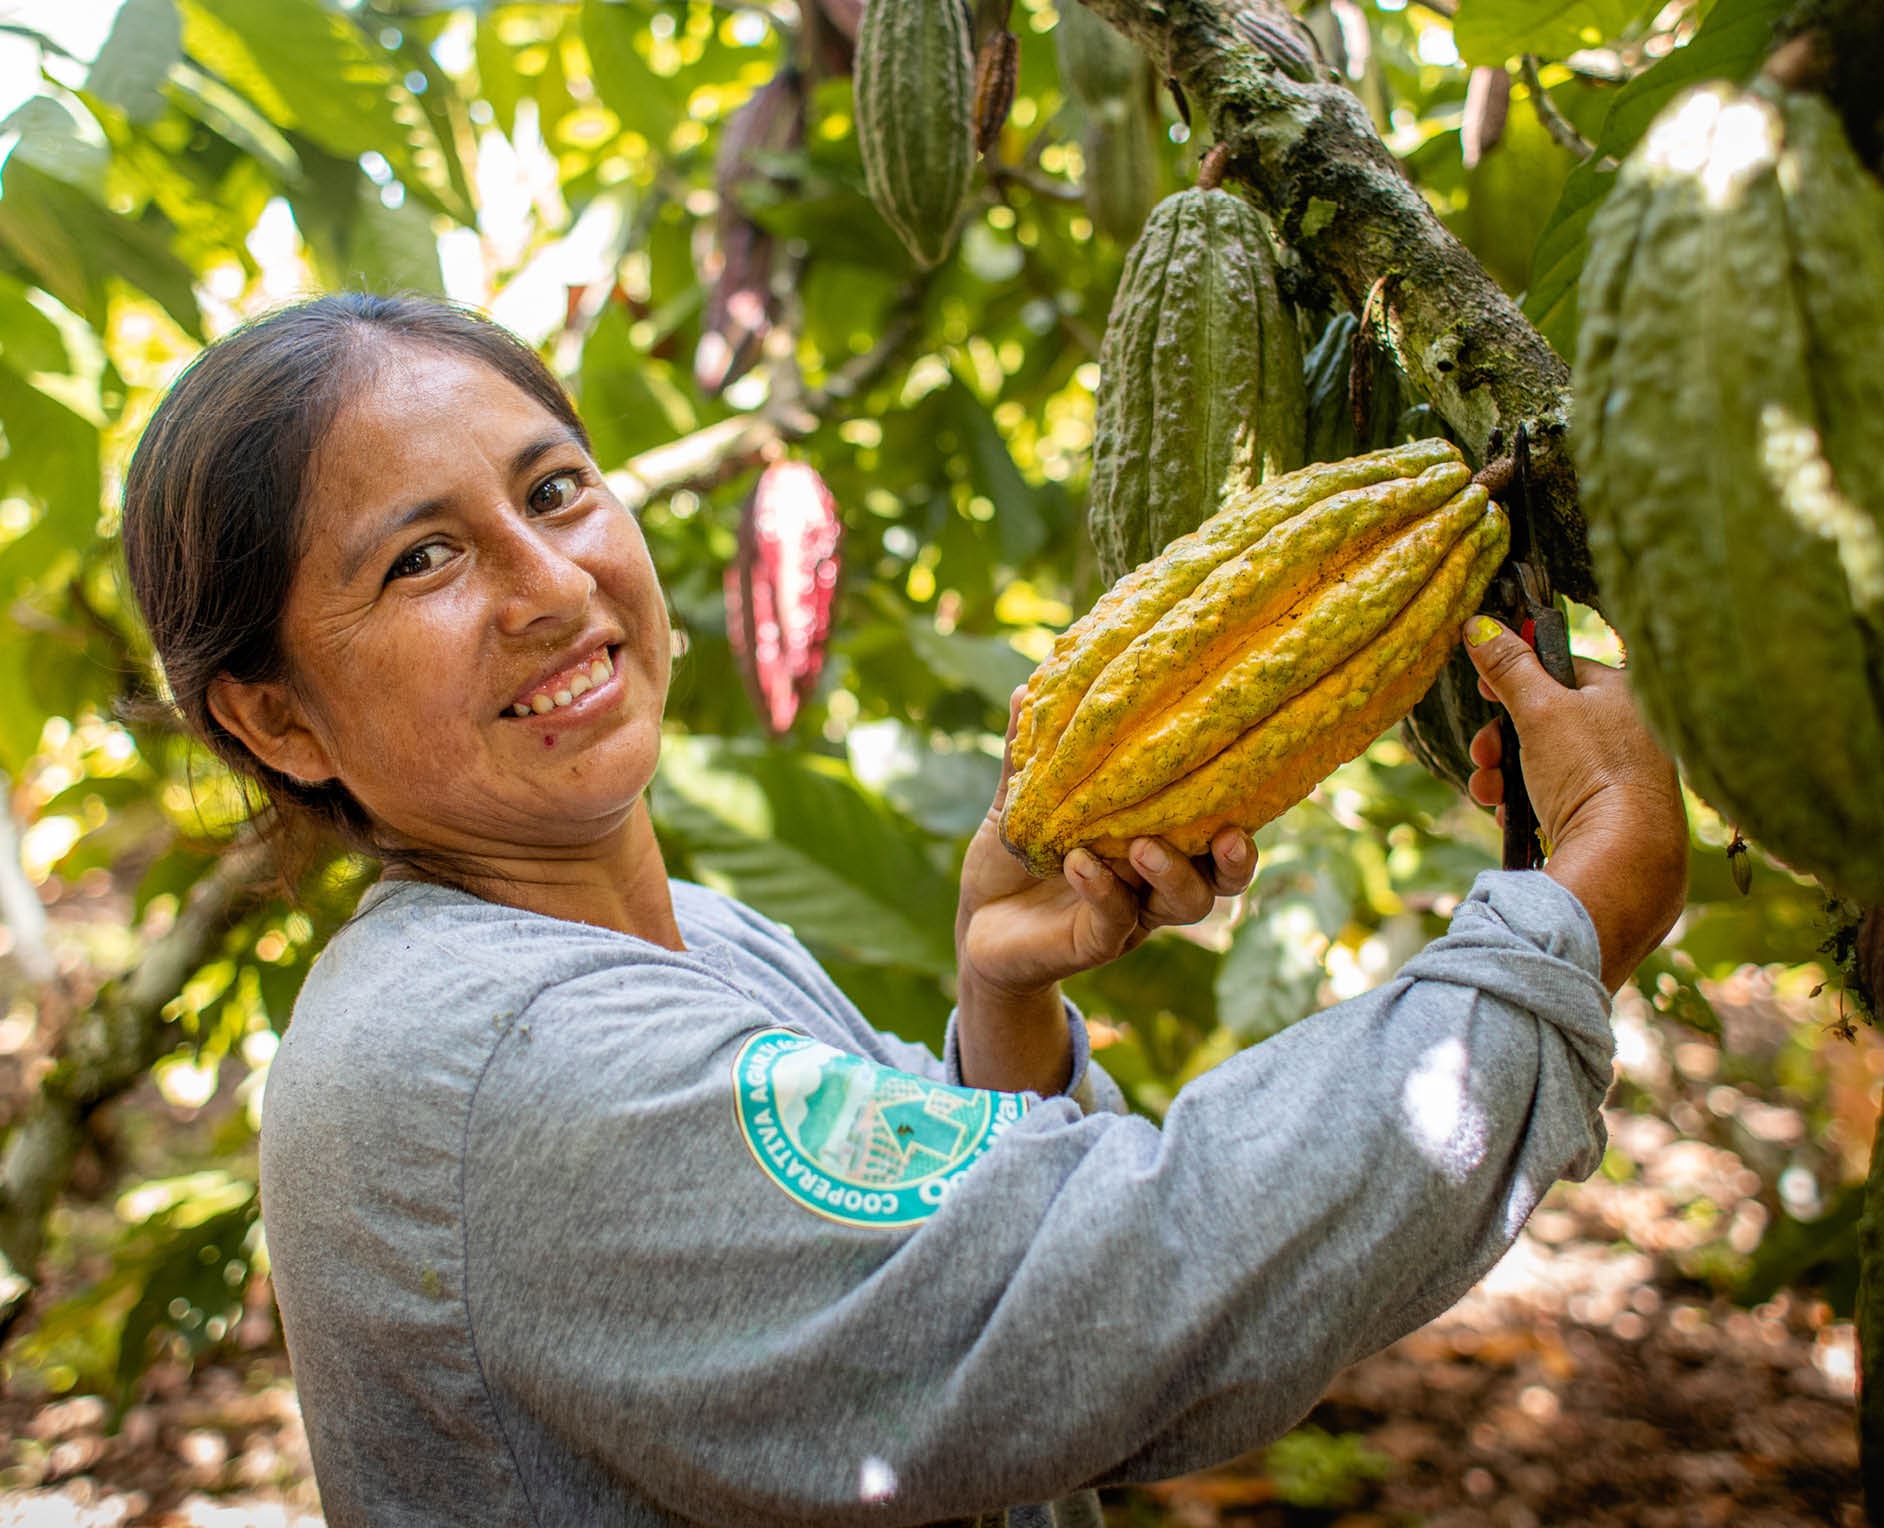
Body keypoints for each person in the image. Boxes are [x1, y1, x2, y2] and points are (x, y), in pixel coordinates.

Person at [120, 293, 1689, 1527]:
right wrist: (1577, 914)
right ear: (276, 721)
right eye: (424, 559)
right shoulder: (497, 1059)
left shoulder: (691, 943)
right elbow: (1119, 1299)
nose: (552, 586)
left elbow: (915, 1328)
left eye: (558, 488)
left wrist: (999, 1004)